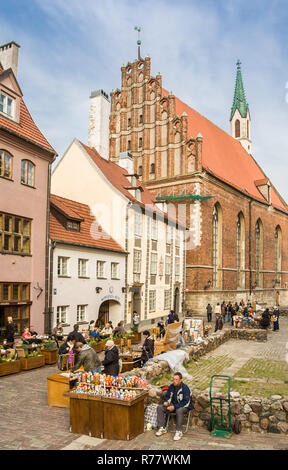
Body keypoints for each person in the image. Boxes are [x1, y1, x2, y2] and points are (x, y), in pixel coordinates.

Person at [156, 372, 193, 441]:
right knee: (160, 407)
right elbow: (168, 396)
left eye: (176, 379)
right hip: (174, 405)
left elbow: (186, 402)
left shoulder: (185, 388)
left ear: (180, 380)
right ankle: (162, 428)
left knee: (179, 410)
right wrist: (167, 402)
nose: (174, 381)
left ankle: (179, 431)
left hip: (185, 407)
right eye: (173, 379)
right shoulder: (171, 386)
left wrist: (174, 407)